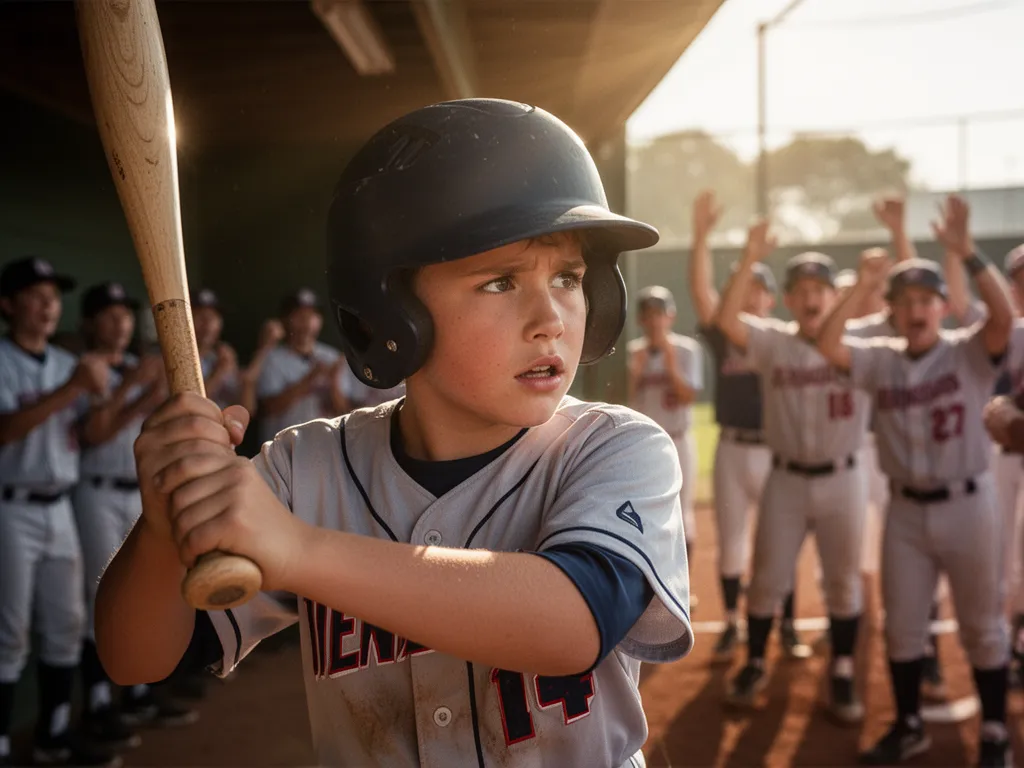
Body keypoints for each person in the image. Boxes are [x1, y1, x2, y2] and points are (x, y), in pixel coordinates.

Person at [91, 99, 694, 767]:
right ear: (389, 310)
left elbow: (573, 622)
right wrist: (161, 525)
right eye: (499, 281)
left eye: (569, 278)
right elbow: (135, 657)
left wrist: (299, 550)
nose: (550, 317)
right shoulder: (309, 466)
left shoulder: (615, 445)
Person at [816, 194, 1014, 767]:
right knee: (902, 629)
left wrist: (968, 253)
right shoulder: (880, 357)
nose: (917, 309)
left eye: (927, 299)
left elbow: (1003, 318)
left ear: (942, 305)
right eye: (906, 302)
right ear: (895, 311)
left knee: (982, 627)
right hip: (905, 512)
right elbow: (828, 344)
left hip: (969, 504)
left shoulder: (969, 353)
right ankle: (908, 725)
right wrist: (859, 286)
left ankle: (996, 733)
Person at [714, 223, 871, 724]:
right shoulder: (773, 343)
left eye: (819, 290)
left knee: (844, 583)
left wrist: (866, 282)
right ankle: (757, 661)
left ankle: (842, 670)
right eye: (801, 291)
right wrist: (748, 256)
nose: (810, 298)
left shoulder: (863, 341)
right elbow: (724, 319)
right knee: (767, 580)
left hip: (844, 479)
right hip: (784, 479)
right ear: (787, 299)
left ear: (833, 295)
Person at [0, 258, 119, 767]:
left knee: (67, 623)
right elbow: (4, 431)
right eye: (35, 293)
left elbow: (90, 436)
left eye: (54, 293)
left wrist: (98, 396)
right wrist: (75, 387)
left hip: (60, 507)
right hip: (11, 505)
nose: (50, 303)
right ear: (8, 305)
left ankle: (52, 732)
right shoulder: (4, 358)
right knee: (9, 634)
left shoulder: (60, 363)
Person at [687, 191, 809, 663]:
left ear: (773, 299)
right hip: (733, 449)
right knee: (732, 539)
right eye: (745, 283)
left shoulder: (784, 341)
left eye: (760, 286)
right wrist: (701, 237)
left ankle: (791, 624)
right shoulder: (725, 337)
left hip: (775, 452)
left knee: (784, 540)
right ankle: (734, 623)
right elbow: (701, 292)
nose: (751, 292)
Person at [72, 283, 197, 737]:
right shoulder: (81, 367)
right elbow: (98, 431)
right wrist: (134, 388)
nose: (120, 323)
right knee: (103, 593)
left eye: (125, 314)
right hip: (96, 492)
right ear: (90, 323)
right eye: (108, 315)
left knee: (147, 585)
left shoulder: (132, 366)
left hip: (139, 494)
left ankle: (139, 693)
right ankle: (100, 703)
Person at [626, 285, 703, 603]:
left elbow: (689, 395)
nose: (655, 321)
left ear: (671, 316)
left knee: (683, 516)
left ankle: (681, 587)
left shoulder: (686, 349)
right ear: (641, 320)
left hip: (678, 440)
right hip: (642, 447)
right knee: (641, 516)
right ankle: (649, 586)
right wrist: (636, 373)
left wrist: (669, 363)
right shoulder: (632, 353)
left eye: (660, 314)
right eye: (649, 315)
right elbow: (621, 401)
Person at [255, 288, 348, 444]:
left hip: (324, 448)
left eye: (312, 315)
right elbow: (268, 408)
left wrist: (334, 382)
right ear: (285, 319)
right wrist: (310, 378)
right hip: (283, 449)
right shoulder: (271, 357)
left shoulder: (331, 356)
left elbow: (344, 411)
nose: (306, 321)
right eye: (299, 315)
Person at [192, 288, 283, 415]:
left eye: (213, 317)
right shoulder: (169, 358)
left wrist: (265, 347)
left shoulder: (221, 355)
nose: (207, 323)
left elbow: (247, 408)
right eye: (199, 316)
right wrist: (219, 372)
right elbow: (190, 405)